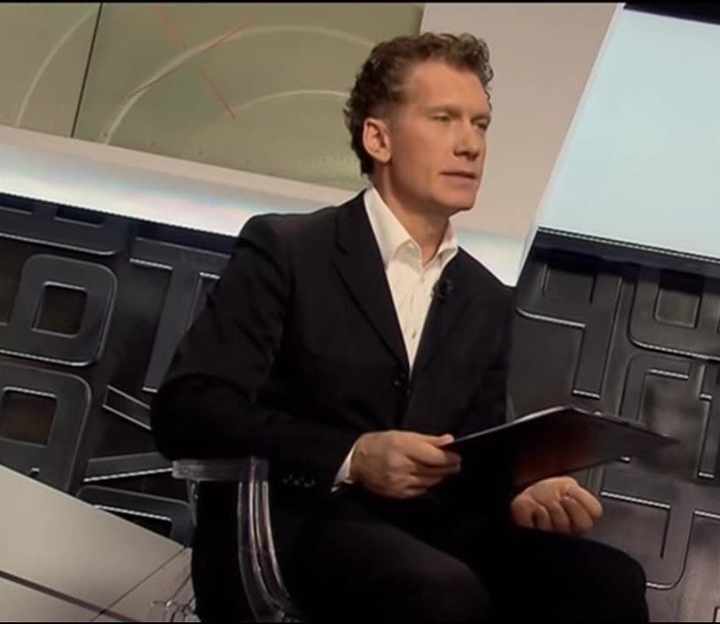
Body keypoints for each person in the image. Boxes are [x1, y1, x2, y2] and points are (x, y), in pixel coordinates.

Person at [150, 32, 649, 623]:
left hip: (429, 530)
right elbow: (189, 408)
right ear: (378, 139)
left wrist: (517, 494)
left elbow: (471, 457)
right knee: (439, 591)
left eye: (480, 124)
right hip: (297, 524)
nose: (470, 144)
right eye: (443, 119)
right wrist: (353, 455)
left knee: (608, 583)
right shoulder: (288, 249)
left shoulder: (486, 297)